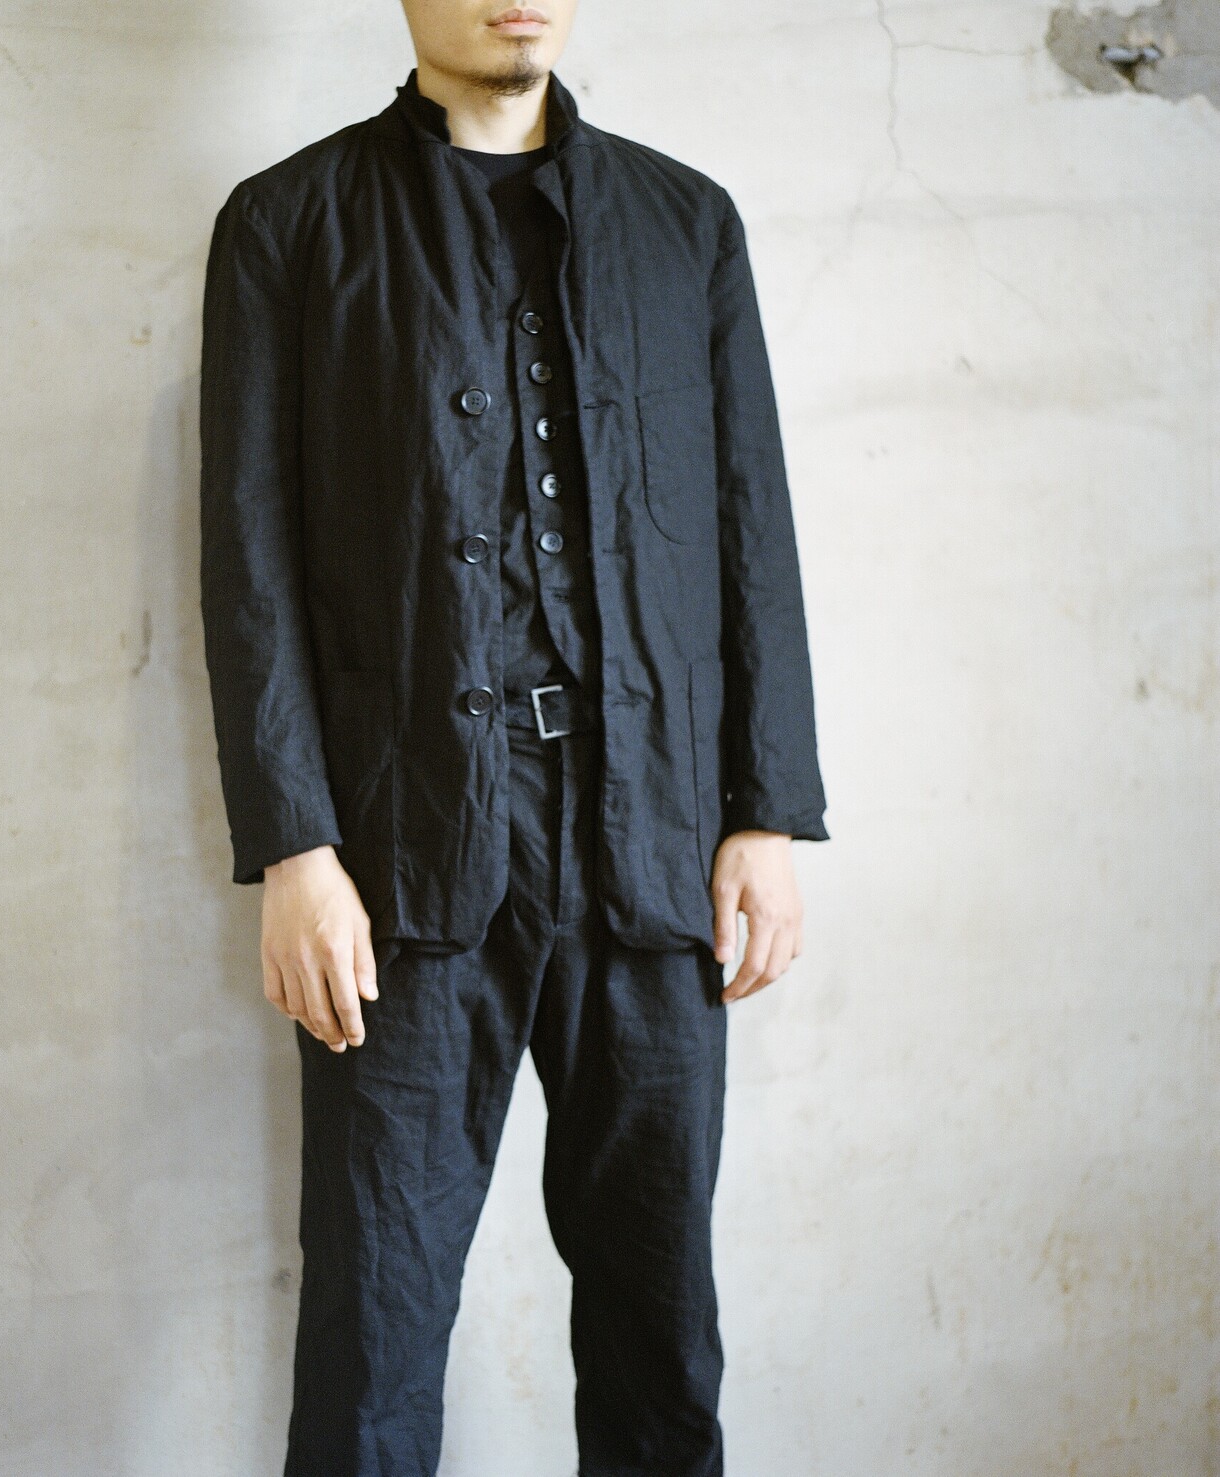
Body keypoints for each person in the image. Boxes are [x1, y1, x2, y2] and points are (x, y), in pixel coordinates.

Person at [198, 2, 829, 1472]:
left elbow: (751, 523)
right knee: (372, 1338)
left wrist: (764, 810)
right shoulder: (290, 224)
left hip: (652, 838)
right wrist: (293, 846)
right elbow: (249, 555)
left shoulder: (687, 224)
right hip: (400, 858)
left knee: (661, 1333)